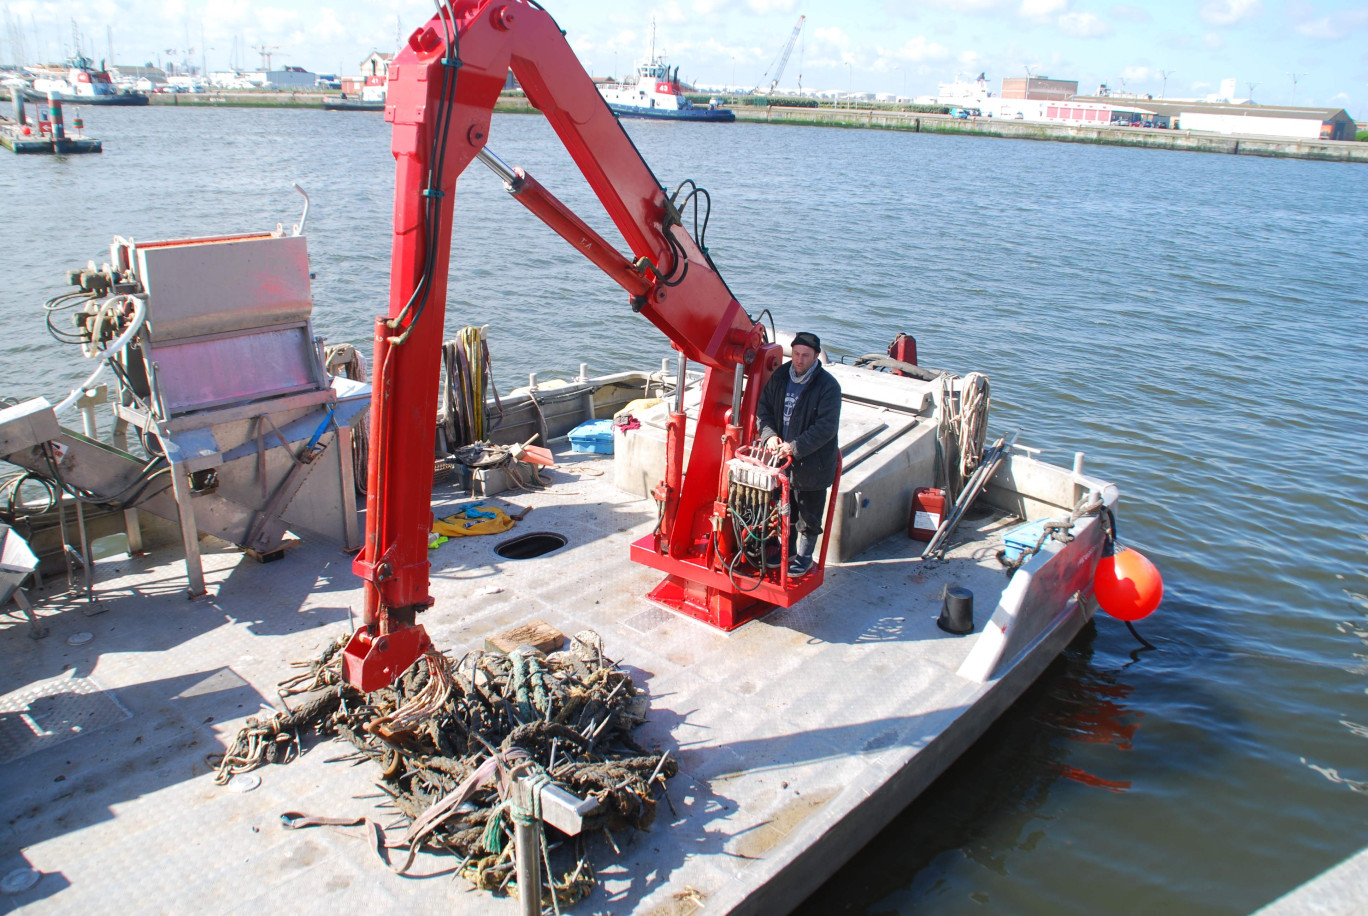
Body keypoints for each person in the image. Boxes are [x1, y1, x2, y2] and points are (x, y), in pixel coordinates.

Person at [756, 332, 842, 578]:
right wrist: (769, 435)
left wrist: (795, 447)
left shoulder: (828, 387)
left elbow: (825, 428)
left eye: (806, 355)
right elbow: (764, 409)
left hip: (813, 464)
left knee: (809, 514)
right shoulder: (782, 375)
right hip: (782, 459)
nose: (800, 360)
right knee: (785, 508)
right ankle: (787, 550)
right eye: (796, 354)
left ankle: (804, 557)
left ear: (816, 356)